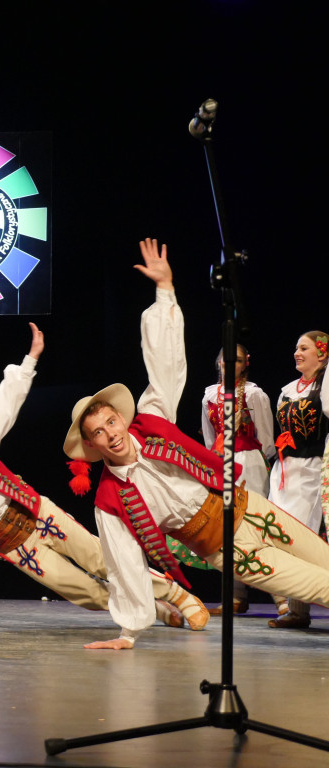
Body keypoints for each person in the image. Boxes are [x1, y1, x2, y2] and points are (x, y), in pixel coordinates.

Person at [63, 238, 329, 649]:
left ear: (122, 418)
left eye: (111, 422)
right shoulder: (109, 500)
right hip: (224, 547)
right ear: (92, 446)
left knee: (326, 561)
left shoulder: (151, 421)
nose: (110, 434)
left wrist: (165, 291)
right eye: (98, 433)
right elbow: (124, 563)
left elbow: (165, 364)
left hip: (249, 507)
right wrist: (129, 631)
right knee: (318, 584)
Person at [0, 323, 207, 631]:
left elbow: (3, 407)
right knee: (86, 594)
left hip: (40, 514)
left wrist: (30, 360)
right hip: (18, 547)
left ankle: (178, 595)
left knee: (103, 561)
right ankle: (154, 609)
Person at [200, 343, 276, 615]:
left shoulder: (255, 395)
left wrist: (256, 460)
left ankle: (280, 598)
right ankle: (235, 596)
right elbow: (210, 438)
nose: (230, 365)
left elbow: (267, 439)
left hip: (250, 462)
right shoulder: (209, 396)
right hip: (222, 464)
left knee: (256, 524)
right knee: (226, 530)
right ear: (218, 363)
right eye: (225, 360)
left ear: (246, 363)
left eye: (238, 360)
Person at [265, 330, 329, 628]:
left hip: (313, 468)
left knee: (304, 537)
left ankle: (301, 608)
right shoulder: (289, 388)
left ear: (322, 352)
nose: (296, 352)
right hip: (287, 469)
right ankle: (296, 609)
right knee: (282, 536)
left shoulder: (325, 388)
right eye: (296, 347)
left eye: (303, 348)